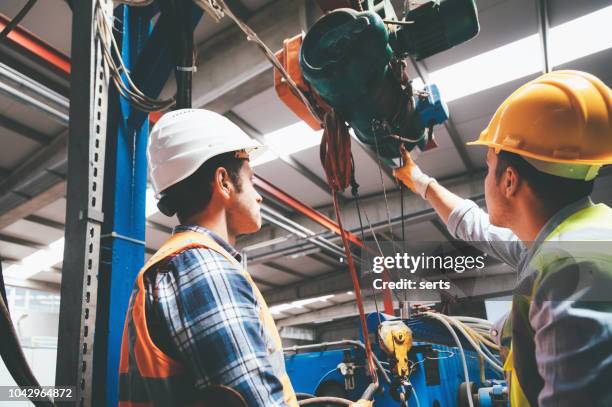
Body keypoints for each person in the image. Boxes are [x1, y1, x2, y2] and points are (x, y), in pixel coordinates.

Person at [394, 70, 612, 406]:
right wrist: (421, 182)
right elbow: (475, 226)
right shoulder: (568, 237)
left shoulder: (569, 268)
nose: (486, 177)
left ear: (509, 180)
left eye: (488, 165)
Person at [118, 109, 299, 407]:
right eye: (251, 180)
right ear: (224, 182)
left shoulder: (185, 261)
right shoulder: (204, 269)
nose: (259, 195)